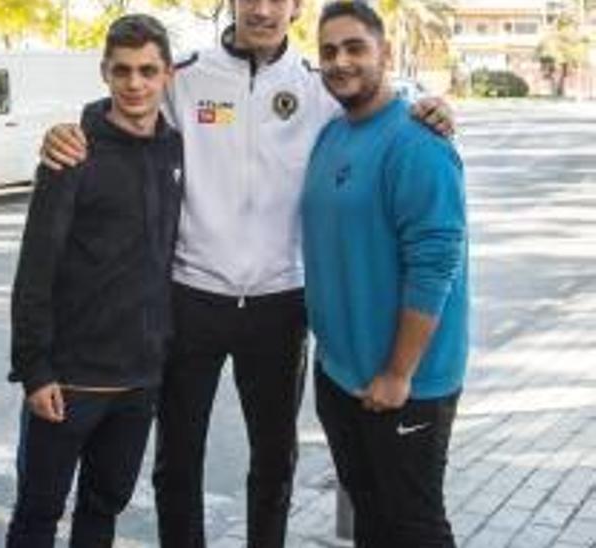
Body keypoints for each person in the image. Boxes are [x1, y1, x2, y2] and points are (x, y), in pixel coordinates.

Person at [38, 3, 455, 546]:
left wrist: (431, 107)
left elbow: (375, 101)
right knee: (178, 459)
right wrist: (69, 131)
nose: (262, 9)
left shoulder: (318, 83)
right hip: (192, 296)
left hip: (280, 303)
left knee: (274, 460)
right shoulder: (186, 77)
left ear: (296, 7)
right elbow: (124, 104)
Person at [7, 14, 184, 548]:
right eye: (123, 71)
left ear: (167, 76)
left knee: (102, 512)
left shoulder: (173, 149)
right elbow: (35, 268)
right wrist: (35, 371)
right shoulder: (73, 154)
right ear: (105, 73)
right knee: (38, 516)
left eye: (148, 71)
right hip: (69, 384)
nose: (135, 84)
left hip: (138, 384)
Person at [302, 3, 468, 546]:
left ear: (386, 54)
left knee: (414, 527)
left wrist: (398, 373)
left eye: (355, 48)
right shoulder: (332, 135)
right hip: (343, 378)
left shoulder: (418, 143)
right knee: (372, 522)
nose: (340, 62)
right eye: (329, 51)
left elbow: (436, 261)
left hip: (405, 384)